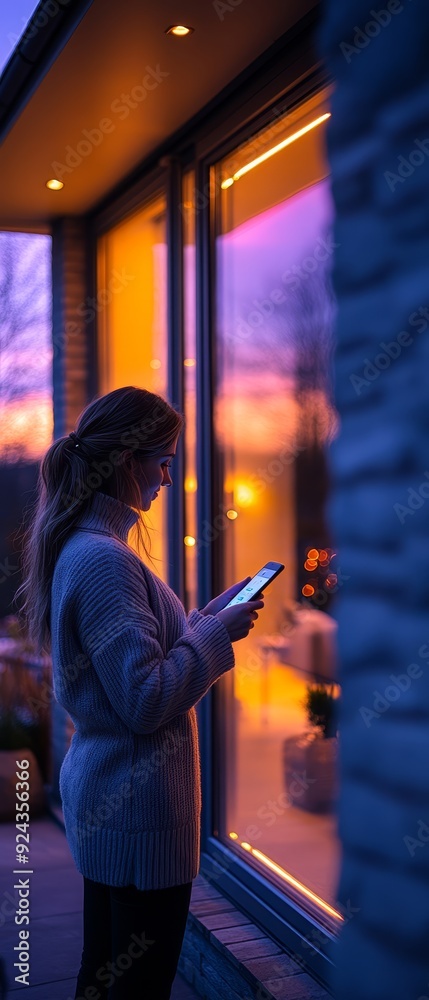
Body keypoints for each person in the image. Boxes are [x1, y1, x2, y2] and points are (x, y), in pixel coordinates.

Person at [16, 385, 264, 1000]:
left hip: (114, 811)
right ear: (128, 461)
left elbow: (137, 661)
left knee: (103, 977)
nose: (166, 479)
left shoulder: (92, 548)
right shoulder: (103, 560)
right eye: (164, 462)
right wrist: (213, 636)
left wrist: (209, 617)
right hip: (136, 823)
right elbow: (146, 698)